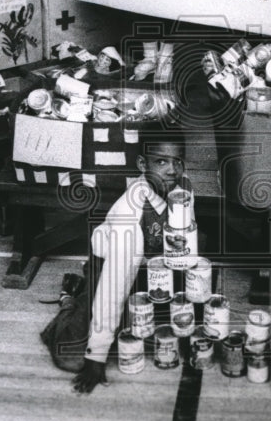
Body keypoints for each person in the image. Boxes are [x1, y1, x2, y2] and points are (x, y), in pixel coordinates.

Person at [65, 135, 189, 394]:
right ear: (143, 164)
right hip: (110, 267)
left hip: (150, 265)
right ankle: (73, 294)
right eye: (161, 162)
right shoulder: (129, 215)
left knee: (179, 323)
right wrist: (96, 358)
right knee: (72, 355)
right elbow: (114, 284)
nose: (172, 170)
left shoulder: (181, 189)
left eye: (177, 161)